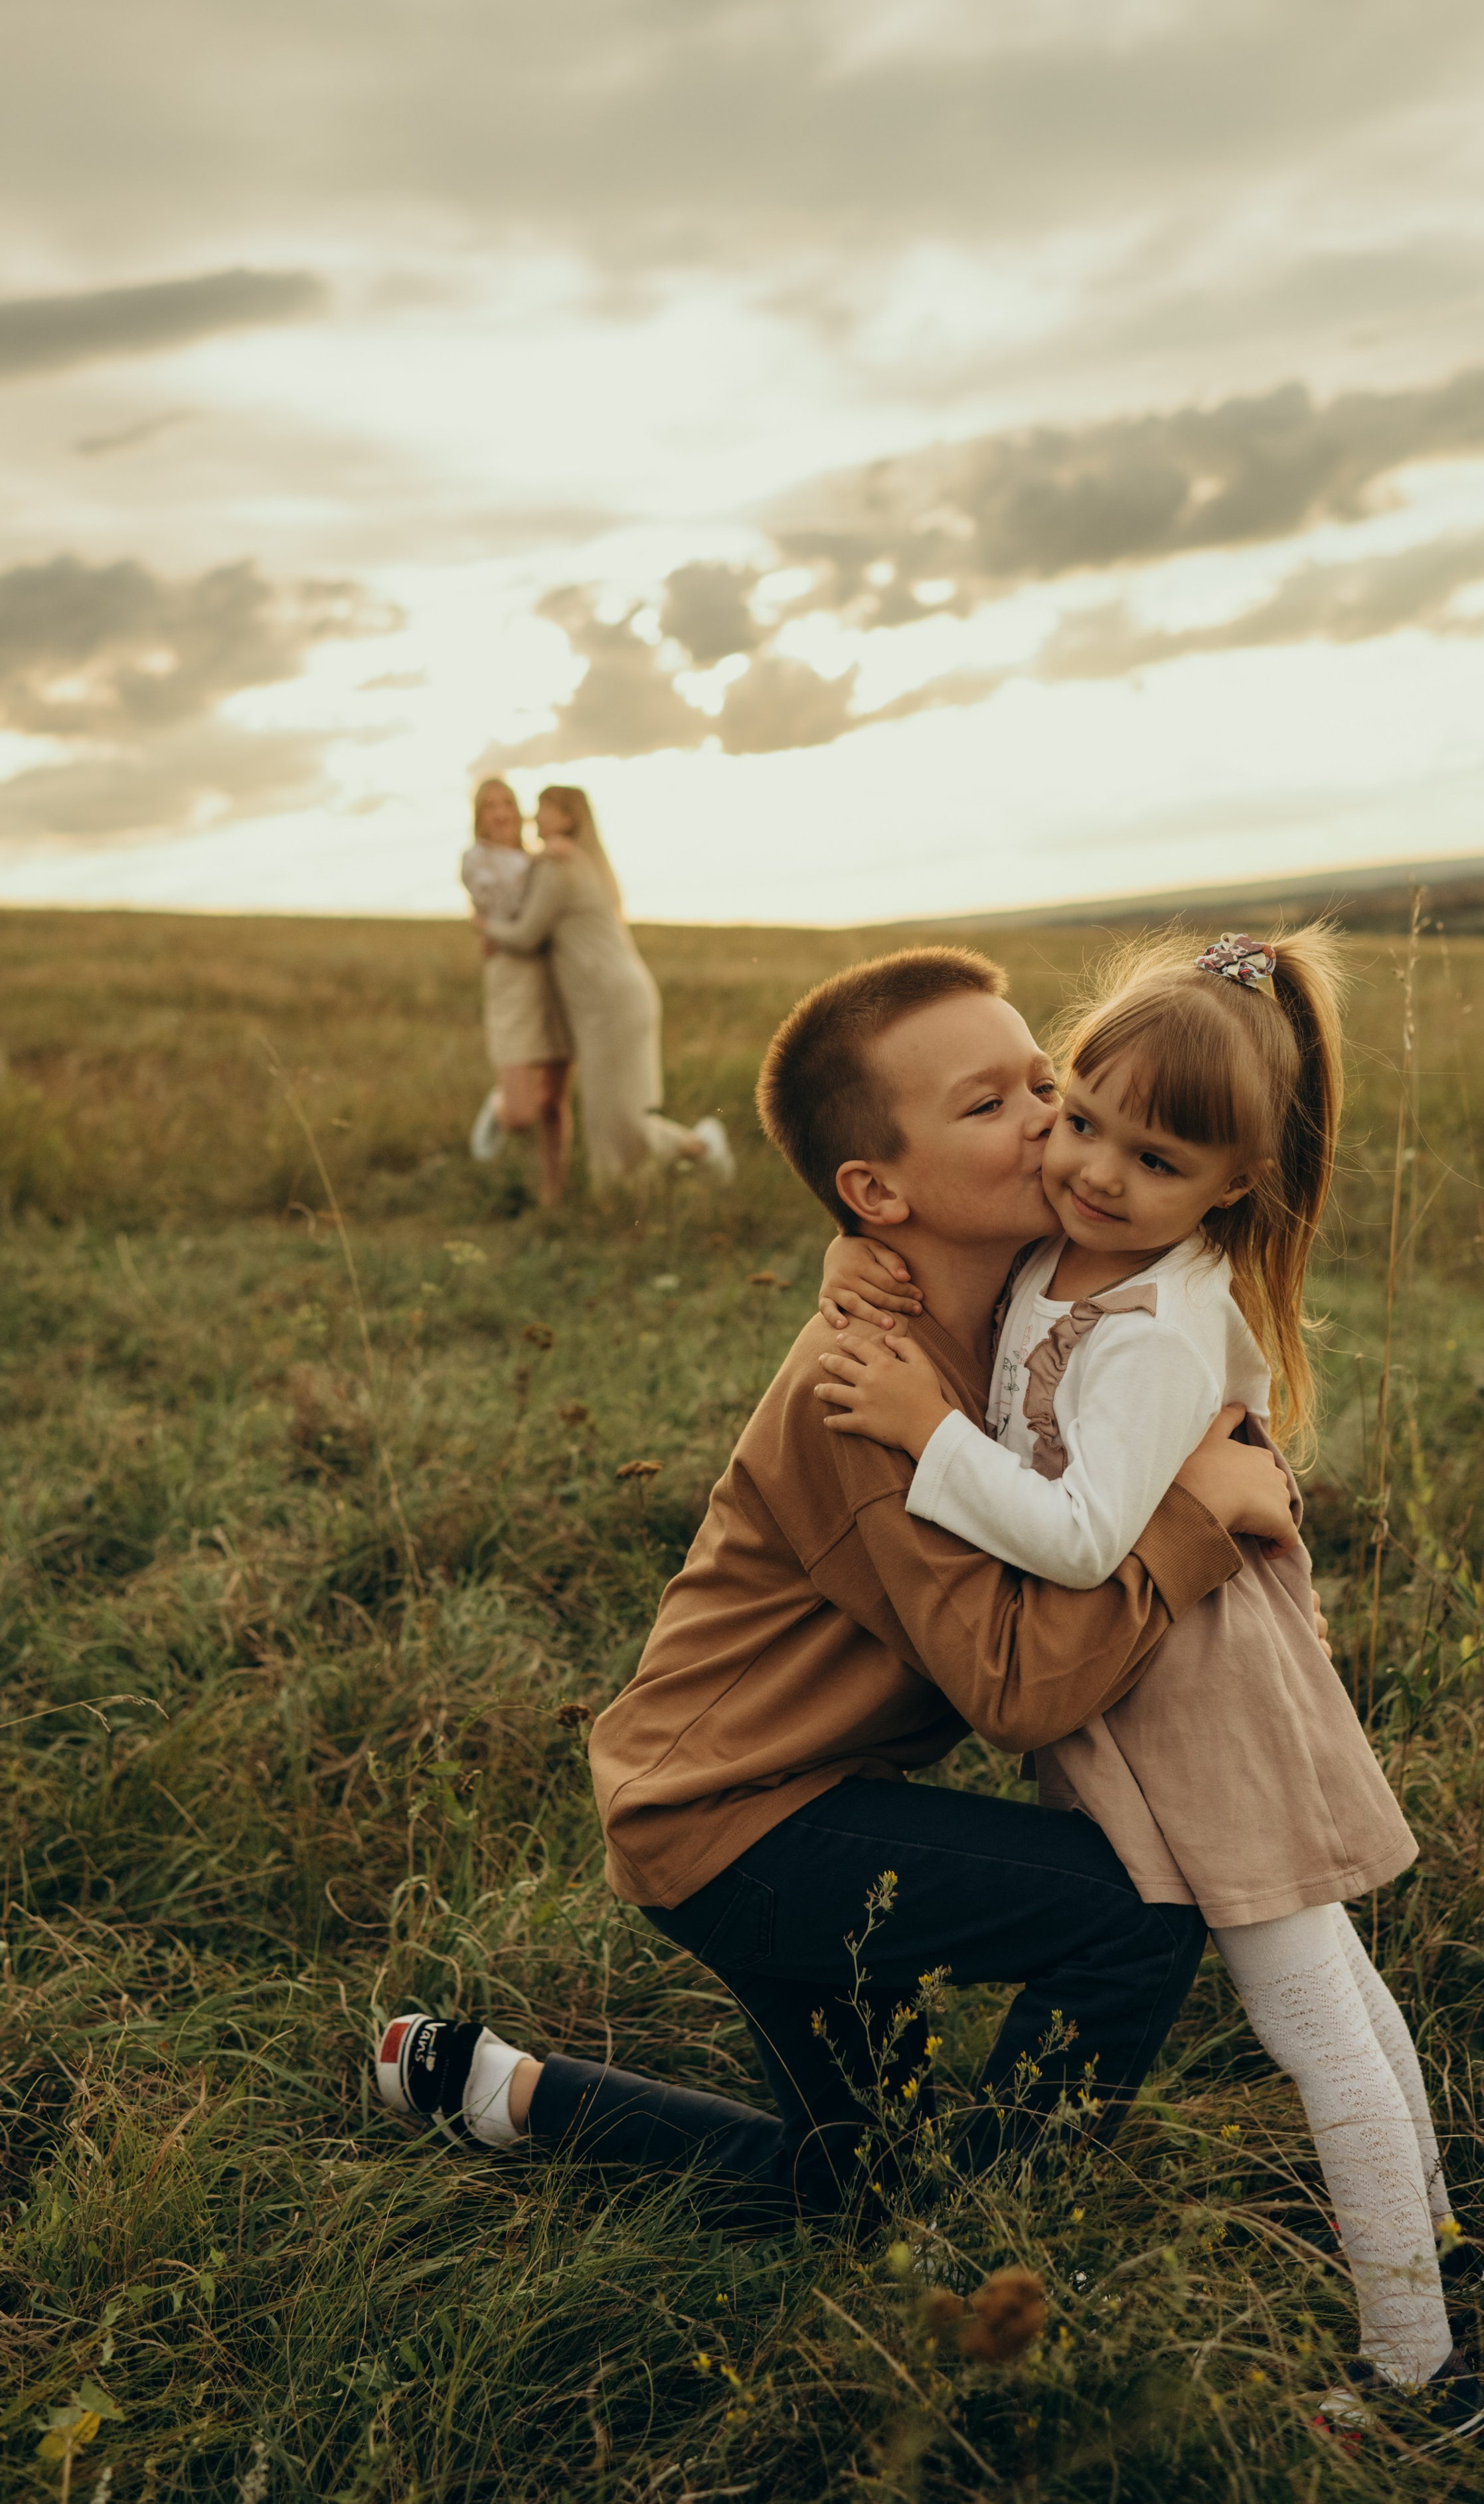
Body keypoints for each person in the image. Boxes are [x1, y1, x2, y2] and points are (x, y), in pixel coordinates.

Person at [372, 949, 1303, 2228]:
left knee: (856, 2192)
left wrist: (851, 1246)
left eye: (1046, 1079)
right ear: (877, 1186)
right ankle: (990, 2249)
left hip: (770, 1793)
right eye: (992, 1107)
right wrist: (1198, 1521)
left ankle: (509, 2093)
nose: (1052, 1122)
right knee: (1133, 1916)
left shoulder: (1005, 1307)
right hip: (738, 1821)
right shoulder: (872, 1393)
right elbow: (1020, 1690)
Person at [811, 929, 1484, 2454]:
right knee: (1339, 1990)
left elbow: (1075, 1534)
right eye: (1082, 1115)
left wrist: (925, 1426)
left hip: (1201, 1707)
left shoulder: (1158, 1330)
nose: (1097, 1169)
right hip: (1155, 1684)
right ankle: (1437, 2245)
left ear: (1230, 1183)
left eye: (1156, 1154)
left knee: (1306, 2008)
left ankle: (1416, 2372)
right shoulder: (1068, 1253)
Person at [478, 785, 733, 1191]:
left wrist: (486, 928)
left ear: (567, 817)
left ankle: (697, 1147)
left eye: (544, 808)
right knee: (613, 1114)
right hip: (622, 996)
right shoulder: (583, 861)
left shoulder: (557, 866)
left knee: (617, 1117)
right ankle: (625, 1189)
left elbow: (526, 935)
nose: (534, 816)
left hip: (607, 1003)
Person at [461, 778, 573, 1205]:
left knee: (553, 1103)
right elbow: (509, 907)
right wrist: (546, 862)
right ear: (479, 817)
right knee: (523, 1113)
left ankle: (553, 1194)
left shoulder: (537, 857)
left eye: (507, 803)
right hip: (510, 980)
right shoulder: (475, 859)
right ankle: (499, 1107)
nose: (501, 812)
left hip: (552, 977)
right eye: (490, 806)